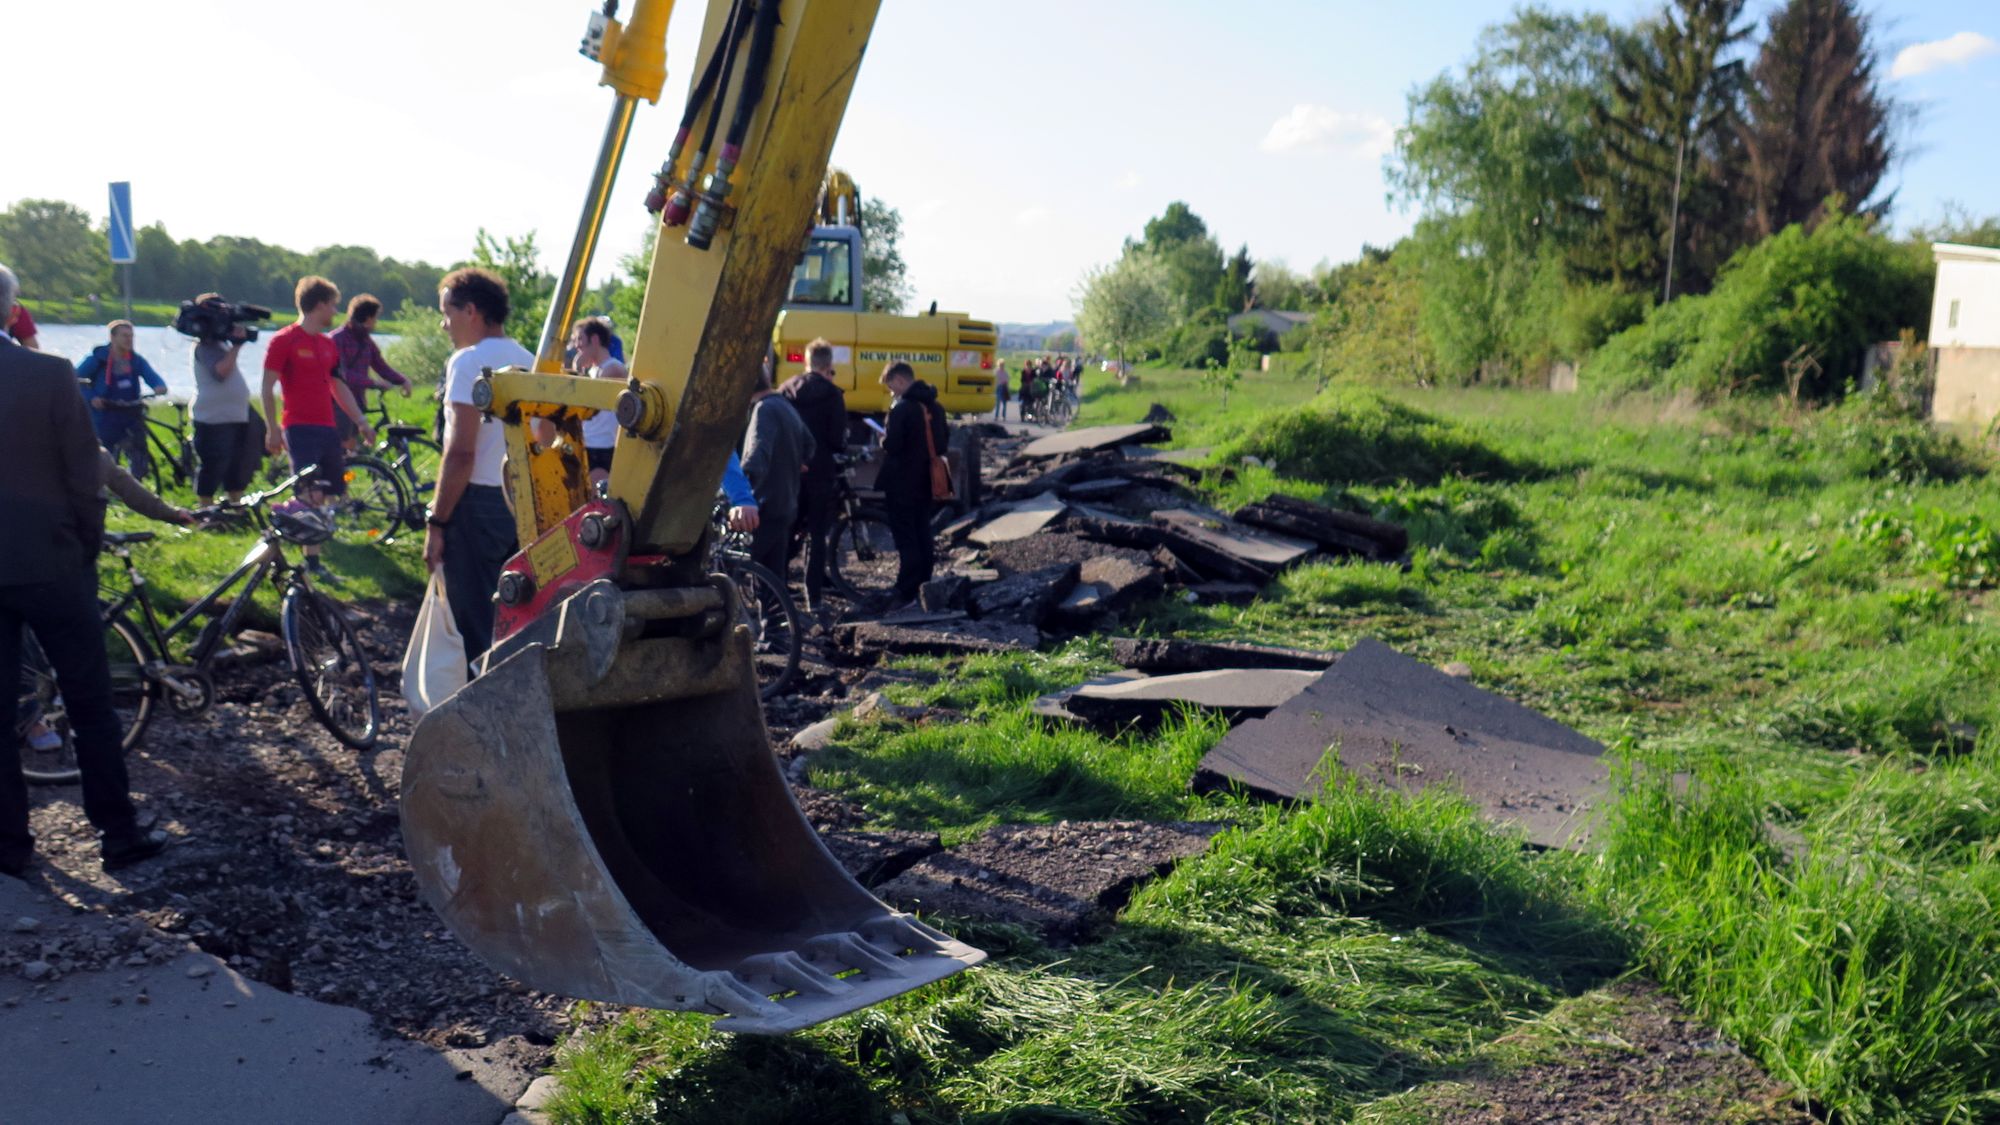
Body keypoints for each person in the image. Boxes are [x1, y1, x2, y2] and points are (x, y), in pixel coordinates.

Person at [0, 263, 163, 876]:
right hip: (51, 560)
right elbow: (82, 474)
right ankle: (117, 836)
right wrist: (84, 546)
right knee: (90, 702)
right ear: (12, 311)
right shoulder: (47, 372)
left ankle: (10, 847)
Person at [425, 268, 534, 665]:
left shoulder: (467, 361)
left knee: (474, 628)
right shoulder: (531, 360)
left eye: (447, 313)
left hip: (477, 505)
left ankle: (482, 714)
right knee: (516, 618)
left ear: (471, 310)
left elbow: (460, 453)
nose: (444, 324)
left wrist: (437, 521)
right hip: (522, 504)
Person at [263, 277, 374, 580]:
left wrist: (361, 422)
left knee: (329, 490)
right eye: (333, 305)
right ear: (320, 304)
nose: (336, 311)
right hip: (298, 427)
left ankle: (308, 544)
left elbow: (339, 385)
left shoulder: (327, 344)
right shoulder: (284, 340)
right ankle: (310, 563)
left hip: (328, 427)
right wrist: (272, 428)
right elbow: (267, 385)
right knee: (308, 490)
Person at [873, 361, 948, 610]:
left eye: (891, 386)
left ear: (901, 380)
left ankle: (905, 588)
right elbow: (943, 442)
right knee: (923, 531)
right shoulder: (935, 407)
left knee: (906, 536)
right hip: (927, 480)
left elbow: (893, 445)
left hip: (902, 481)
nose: (891, 392)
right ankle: (923, 584)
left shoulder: (902, 409)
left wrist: (882, 439)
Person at [779, 337, 847, 611]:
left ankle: (778, 589)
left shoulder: (785, 391)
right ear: (828, 364)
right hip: (820, 472)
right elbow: (836, 439)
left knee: (786, 530)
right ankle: (813, 597)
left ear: (807, 361)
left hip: (790, 472)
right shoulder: (833, 395)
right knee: (817, 535)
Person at [740, 350, 813, 583]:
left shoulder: (764, 410)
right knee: (772, 578)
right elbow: (810, 445)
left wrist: (739, 490)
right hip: (786, 503)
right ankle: (773, 620)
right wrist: (797, 462)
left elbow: (756, 459)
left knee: (739, 570)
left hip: (765, 505)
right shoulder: (785, 405)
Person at [188, 295, 259, 506]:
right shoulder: (203, 347)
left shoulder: (220, 345)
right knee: (214, 463)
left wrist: (235, 343)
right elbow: (221, 372)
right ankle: (206, 508)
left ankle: (235, 505)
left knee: (237, 463)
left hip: (234, 415)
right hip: (213, 418)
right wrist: (237, 346)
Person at [331, 294, 412, 451]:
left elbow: (381, 366)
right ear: (368, 319)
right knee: (342, 449)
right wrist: (373, 383)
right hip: (338, 405)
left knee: (351, 449)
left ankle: (351, 472)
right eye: (376, 318)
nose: (376, 323)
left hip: (358, 403)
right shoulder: (337, 339)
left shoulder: (366, 342)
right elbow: (341, 375)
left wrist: (403, 380)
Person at [76, 320, 169, 457]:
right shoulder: (97, 359)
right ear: (112, 337)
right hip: (105, 416)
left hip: (131, 413)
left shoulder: (135, 360)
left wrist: (159, 386)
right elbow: (74, 380)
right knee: (105, 458)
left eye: (131, 336)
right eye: (125, 336)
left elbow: (151, 377)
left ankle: (137, 477)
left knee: (139, 454)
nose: (129, 340)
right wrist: (91, 397)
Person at [569, 316, 627, 488]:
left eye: (580, 339)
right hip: (589, 444)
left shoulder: (613, 368)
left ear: (594, 339)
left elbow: (588, 403)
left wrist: (578, 372)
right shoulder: (595, 370)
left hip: (602, 448)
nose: (577, 346)